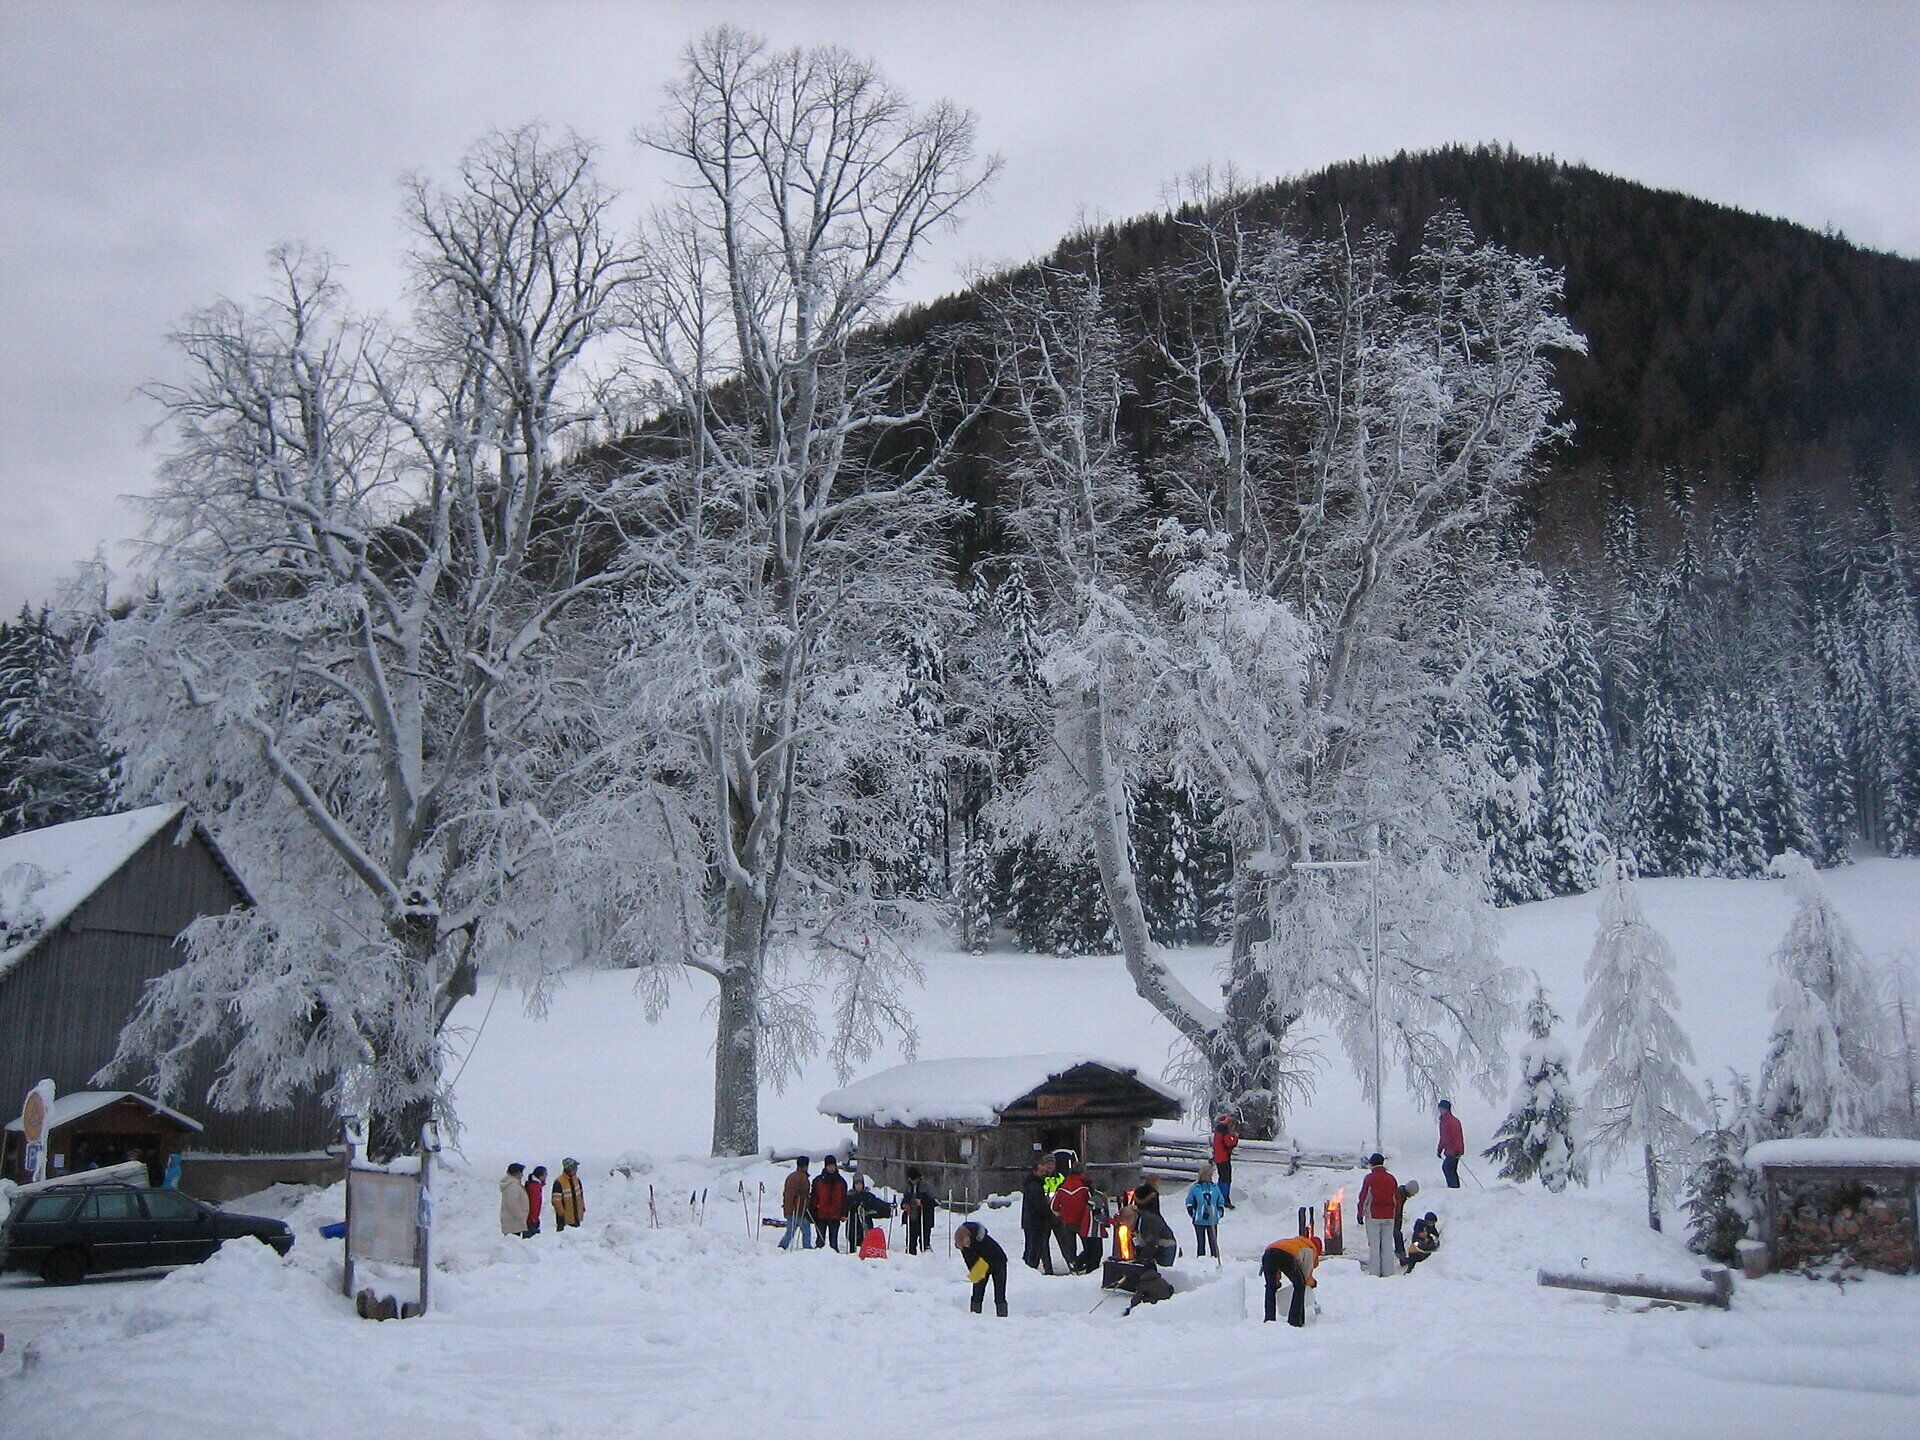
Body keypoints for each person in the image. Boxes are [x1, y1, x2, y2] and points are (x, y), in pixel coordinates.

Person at [1050, 1160, 1101, 1274]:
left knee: (1070, 1247)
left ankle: (1073, 1265)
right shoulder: (1085, 1187)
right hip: (1083, 1222)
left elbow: (1053, 1206)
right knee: (1088, 1247)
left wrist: (1062, 1214)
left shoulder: (1062, 1186)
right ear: (1082, 1172)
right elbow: (1092, 1204)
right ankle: (1086, 1266)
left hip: (1067, 1222)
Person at [1261, 1233, 1322, 1326]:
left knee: (1271, 1286)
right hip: (1285, 1255)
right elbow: (1305, 1279)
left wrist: (1276, 1280)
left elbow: (1277, 1256)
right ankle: (1295, 1321)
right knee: (1299, 1286)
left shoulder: (1296, 1243)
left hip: (1268, 1253)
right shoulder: (1310, 1249)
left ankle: (1269, 1319)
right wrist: (1313, 1283)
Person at [1356, 1153, 1400, 1277]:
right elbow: (1396, 1198)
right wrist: (1395, 1213)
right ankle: (1388, 1272)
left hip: (1373, 1215)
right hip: (1389, 1216)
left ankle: (1375, 1273)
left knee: (1374, 1246)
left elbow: (1364, 1197)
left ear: (1372, 1164)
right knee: (1387, 1245)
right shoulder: (1391, 1178)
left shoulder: (1370, 1178)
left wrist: (1360, 1213)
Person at [954, 1220, 1009, 1316]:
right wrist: (974, 1273)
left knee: (999, 1293)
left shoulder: (982, 1239)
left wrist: (981, 1270)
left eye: (968, 1242)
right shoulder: (964, 1246)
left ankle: (1002, 1316)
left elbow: (989, 1255)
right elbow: (969, 1261)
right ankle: (975, 1315)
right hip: (981, 1264)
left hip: (998, 1261)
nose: (967, 1245)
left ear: (969, 1235)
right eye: (964, 1245)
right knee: (977, 1293)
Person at [1020, 1156, 1060, 1274]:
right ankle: (1030, 1269)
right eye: (1043, 1165)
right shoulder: (1034, 1185)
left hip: (1035, 1221)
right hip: (1036, 1221)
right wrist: (1050, 1210)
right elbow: (1039, 1205)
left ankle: (1031, 1268)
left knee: (1035, 1246)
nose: (1046, 1168)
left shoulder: (1035, 1183)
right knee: (1034, 1247)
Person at [1185, 1162, 1226, 1260]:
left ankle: (1215, 1258)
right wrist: (1193, 1214)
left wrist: (1218, 1213)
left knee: (1213, 1242)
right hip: (1199, 1220)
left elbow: (1220, 1201)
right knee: (1201, 1243)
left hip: (1212, 1220)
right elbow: (1189, 1202)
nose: (1210, 1177)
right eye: (1208, 1175)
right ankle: (1201, 1260)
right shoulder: (1195, 1188)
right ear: (1203, 1175)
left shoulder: (1215, 1188)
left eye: (1211, 1175)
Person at [811, 1155, 850, 1251]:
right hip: (821, 1215)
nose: (831, 1168)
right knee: (820, 1242)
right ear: (825, 1166)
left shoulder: (841, 1182)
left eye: (833, 1166)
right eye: (829, 1166)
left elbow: (844, 1199)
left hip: (835, 1215)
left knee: (834, 1242)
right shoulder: (818, 1181)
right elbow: (814, 1197)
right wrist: (813, 1211)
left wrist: (844, 1213)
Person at [846, 1174, 893, 1254]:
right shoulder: (850, 1197)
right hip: (853, 1225)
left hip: (866, 1224)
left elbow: (877, 1203)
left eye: (860, 1184)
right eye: (856, 1184)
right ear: (854, 1185)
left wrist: (888, 1206)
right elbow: (844, 1207)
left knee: (866, 1243)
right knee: (853, 1245)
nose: (858, 1186)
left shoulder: (868, 1196)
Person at [779, 1156, 814, 1250]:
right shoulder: (803, 1178)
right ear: (806, 1166)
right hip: (799, 1210)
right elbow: (803, 1195)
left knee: (790, 1232)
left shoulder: (791, 1176)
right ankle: (807, 1247)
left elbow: (787, 1194)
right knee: (806, 1231)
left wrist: (787, 1209)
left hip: (790, 1209)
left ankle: (782, 1246)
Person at [901, 1168, 936, 1255]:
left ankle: (927, 1258)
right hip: (911, 1217)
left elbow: (935, 1201)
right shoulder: (908, 1186)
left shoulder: (926, 1186)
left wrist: (923, 1202)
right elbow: (905, 1198)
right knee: (910, 1242)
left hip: (924, 1218)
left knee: (924, 1242)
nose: (912, 1182)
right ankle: (910, 1257)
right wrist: (904, 1205)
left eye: (913, 1179)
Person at [1211, 1115, 1240, 1209]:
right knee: (1226, 1179)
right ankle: (1225, 1198)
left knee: (1222, 1177)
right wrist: (1235, 1137)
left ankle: (1219, 1196)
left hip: (1218, 1158)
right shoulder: (1224, 1132)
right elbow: (1229, 1144)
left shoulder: (1218, 1132)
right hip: (1224, 1158)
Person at [551, 1158, 586, 1233]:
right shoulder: (559, 1182)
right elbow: (556, 1202)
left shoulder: (577, 1180)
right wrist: (562, 1215)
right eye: (574, 1167)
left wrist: (582, 1208)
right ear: (569, 1168)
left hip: (576, 1218)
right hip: (565, 1221)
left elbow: (580, 1196)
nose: (576, 1169)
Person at [1437, 1100, 1466, 1189]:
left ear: (1447, 1109)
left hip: (1454, 1150)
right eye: (1440, 1108)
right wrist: (1439, 1149)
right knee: (1449, 1169)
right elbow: (1443, 1137)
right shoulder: (1443, 1122)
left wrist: (1458, 1150)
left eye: (1442, 1108)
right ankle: (1453, 1187)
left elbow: (1457, 1136)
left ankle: (1454, 1187)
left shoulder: (1453, 1121)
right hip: (1448, 1150)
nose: (1440, 1110)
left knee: (1448, 1168)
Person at [1393, 1178, 1420, 1265]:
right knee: (1397, 1235)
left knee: (1396, 1234)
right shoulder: (1399, 1196)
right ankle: (1402, 1257)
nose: (1412, 1196)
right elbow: (1397, 1210)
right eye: (1413, 1194)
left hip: (1393, 1217)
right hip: (1391, 1218)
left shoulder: (1401, 1193)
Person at [500, 1163, 530, 1237]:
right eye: (521, 1173)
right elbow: (512, 1204)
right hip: (514, 1222)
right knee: (513, 1242)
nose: (522, 1175)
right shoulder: (513, 1186)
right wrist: (521, 1217)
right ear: (515, 1173)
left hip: (514, 1222)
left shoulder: (513, 1185)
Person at [524, 1165, 548, 1237]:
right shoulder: (535, 1188)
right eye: (545, 1174)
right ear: (540, 1176)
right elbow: (534, 1205)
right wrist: (534, 1219)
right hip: (532, 1219)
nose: (547, 1175)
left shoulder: (534, 1185)